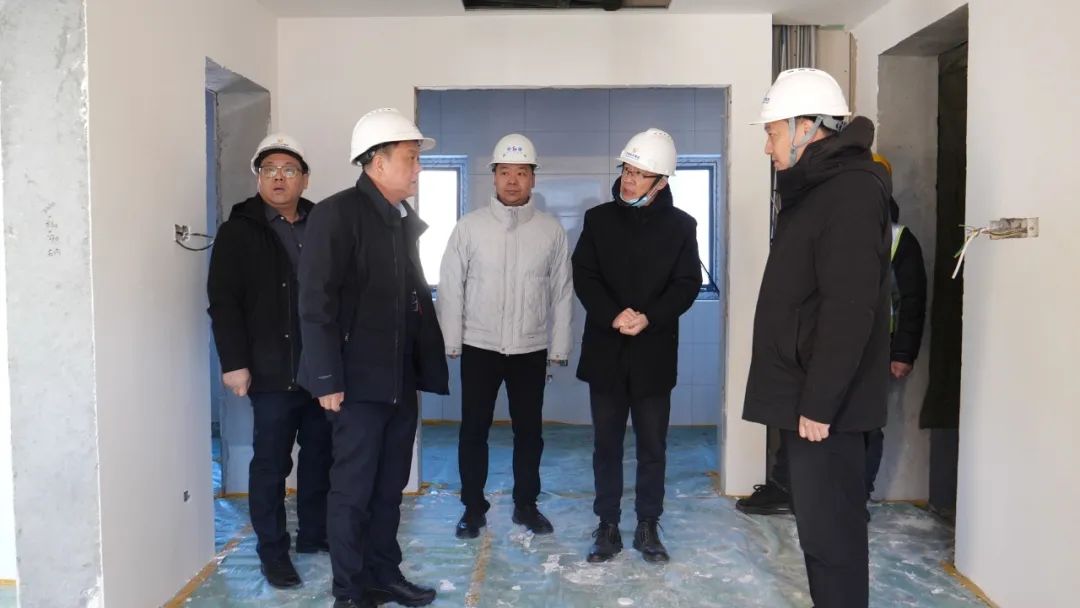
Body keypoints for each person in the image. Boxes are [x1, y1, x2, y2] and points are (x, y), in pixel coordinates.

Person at [742, 68, 892, 608]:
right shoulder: (819, 188)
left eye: (772, 133)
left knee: (833, 538)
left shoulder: (850, 192)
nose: (767, 147)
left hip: (826, 407)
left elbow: (849, 308)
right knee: (819, 532)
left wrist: (820, 402)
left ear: (805, 127)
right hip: (809, 395)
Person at [297, 108, 449, 608]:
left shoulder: (398, 220)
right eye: (410, 158)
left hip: (397, 380)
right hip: (355, 384)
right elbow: (315, 302)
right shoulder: (337, 215)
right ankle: (349, 591)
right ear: (377, 162)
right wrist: (326, 378)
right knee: (352, 491)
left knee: (389, 487)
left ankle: (383, 574)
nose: (418, 168)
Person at [735, 153, 928, 518]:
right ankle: (787, 487)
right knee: (800, 417)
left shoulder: (899, 238)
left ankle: (856, 497)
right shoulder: (821, 218)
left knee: (862, 426)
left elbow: (911, 299)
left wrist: (903, 352)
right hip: (817, 345)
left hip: (873, 351)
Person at [207, 133, 331, 589]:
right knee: (271, 465)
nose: (279, 178)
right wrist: (234, 362)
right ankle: (273, 553)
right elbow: (223, 301)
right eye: (269, 170)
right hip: (270, 369)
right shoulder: (239, 230)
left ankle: (315, 534)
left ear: (304, 178)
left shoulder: (322, 224)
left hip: (321, 369)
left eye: (289, 170)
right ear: (258, 178)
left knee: (321, 457)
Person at [572, 128, 700, 564]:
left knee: (652, 447)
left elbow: (687, 283)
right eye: (626, 170)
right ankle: (607, 525)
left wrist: (650, 317)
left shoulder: (681, 226)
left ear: (661, 182)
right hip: (606, 352)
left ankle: (648, 525)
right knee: (605, 446)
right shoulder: (598, 220)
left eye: (640, 174)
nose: (629, 180)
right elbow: (585, 275)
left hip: (653, 354)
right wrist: (613, 314)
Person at [437, 134, 573, 539]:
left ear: (533, 178)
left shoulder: (550, 231)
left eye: (522, 173)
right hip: (480, 345)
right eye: (505, 172)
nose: (513, 181)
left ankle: (526, 505)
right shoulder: (470, 227)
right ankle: (472, 507)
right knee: (473, 430)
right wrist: (452, 339)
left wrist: (559, 347)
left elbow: (562, 292)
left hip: (530, 348)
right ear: (493, 177)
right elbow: (450, 285)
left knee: (529, 433)